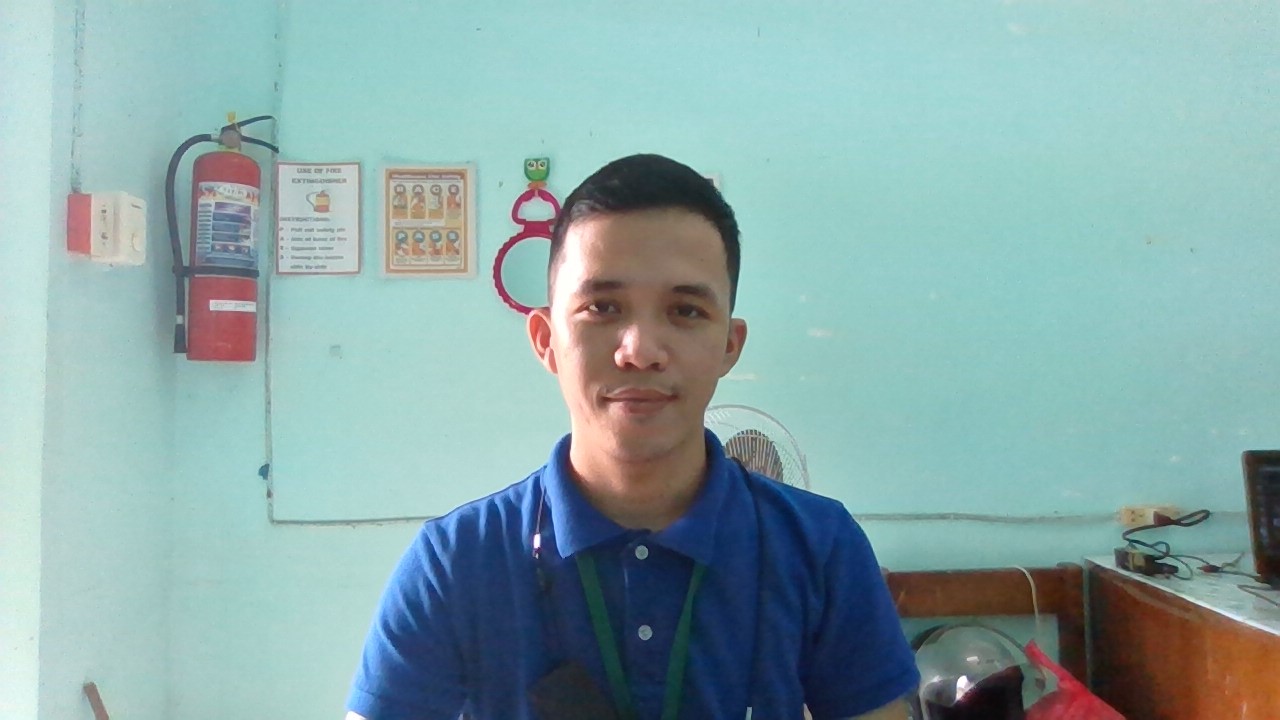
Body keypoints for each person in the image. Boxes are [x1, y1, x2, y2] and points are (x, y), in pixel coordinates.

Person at [345, 154, 919, 720]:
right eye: (603, 307)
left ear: (729, 345)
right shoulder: (458, 561)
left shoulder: (818, 548)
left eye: (685, 311)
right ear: (546, 340)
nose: (640, 351)